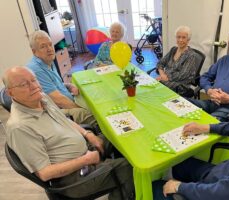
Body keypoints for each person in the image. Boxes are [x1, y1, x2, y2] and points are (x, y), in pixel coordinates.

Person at [3, 66, 134, 199]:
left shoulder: (41, 98)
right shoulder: (19, 127)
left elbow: (64, 120)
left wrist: (88, 135)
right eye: (24, 84)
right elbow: (45, 173)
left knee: (119, 134)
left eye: (34, 80)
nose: (34, 86)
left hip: (84, 151)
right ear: (10, 93)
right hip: (72, 178)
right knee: (132, 168)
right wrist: (86, 159)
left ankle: (121, 181)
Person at [27, 30, 97, 128]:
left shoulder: (47, 60)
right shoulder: (36, 69)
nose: (49, 49)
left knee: (94, 98)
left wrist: (68, 85)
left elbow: (53, 85)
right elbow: (58, 100)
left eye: (50, 44)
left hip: (67, 102)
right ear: (34, 51)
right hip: (56, 111)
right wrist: (80, 108)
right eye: (43, 46)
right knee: (95, 115)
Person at [155, 26, 199, 94]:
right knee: (155, 87)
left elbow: (182, 75)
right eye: (178, 37)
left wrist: (165, 78)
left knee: (157, 88)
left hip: (181, 85)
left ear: (188, 39)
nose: (180, 40)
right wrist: (162, 74)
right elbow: (160, 63)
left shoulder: (191, 55)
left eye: (184, 37)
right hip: (166, 80)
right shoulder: (173, 50)